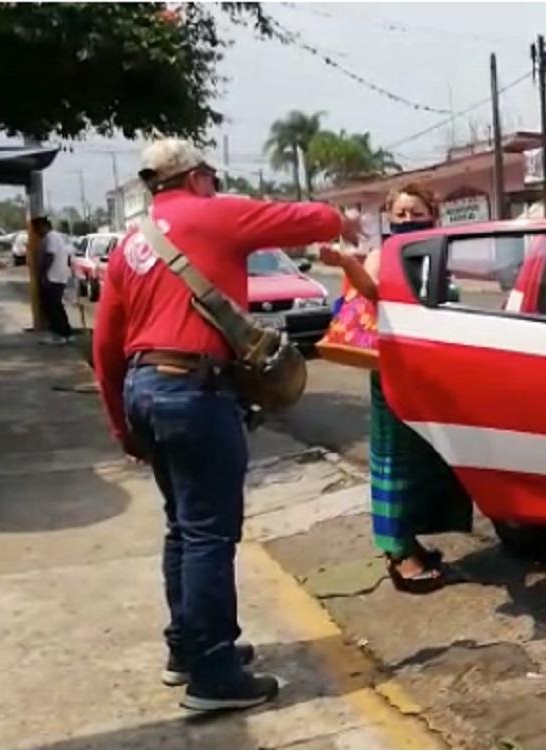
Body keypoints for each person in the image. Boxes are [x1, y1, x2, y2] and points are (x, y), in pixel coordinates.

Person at [92, 138, 361, 712]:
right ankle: (213, 673)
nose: (215, 182)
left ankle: (187, 650)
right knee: (210, 533)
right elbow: (301, 218)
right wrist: (343, 217)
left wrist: (121, 424)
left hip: (144, 388)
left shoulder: (130, 243)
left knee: (182, 526)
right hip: (194, 390)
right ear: (193, 178)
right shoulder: (214, 212)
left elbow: (105, 345)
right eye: (211, 175)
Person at [319, 182, 472, 593]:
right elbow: (372, 291)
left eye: (415, 212)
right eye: (400, 214)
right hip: (394, 370)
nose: (407, 220)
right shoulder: (383, 253)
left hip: (431, 372)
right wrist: (346, 264)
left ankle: (410, 541)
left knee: (428, 459)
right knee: (395, 461)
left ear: (432, 215)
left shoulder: (441, 252)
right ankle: (398, 554)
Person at [32, 216, 74, 344]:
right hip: (58, 276)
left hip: (53, 277)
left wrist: (43, 274)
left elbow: (50, 255)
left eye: (37, 228)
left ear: (44, 226)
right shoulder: (55, 237)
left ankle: (59, 334)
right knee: (55, 305)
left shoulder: (51, 237)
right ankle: (66, 333)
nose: (36, 232)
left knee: (50, 306)